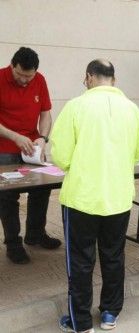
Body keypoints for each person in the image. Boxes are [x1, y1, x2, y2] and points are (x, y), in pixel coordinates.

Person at [51, 59, 139, 333]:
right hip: (118, 196)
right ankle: (109, 313)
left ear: (89, 77)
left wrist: (76, 165)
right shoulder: (131, 109)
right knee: (114, 255)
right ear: (113, 80)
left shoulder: (76, 106)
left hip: (82, 197)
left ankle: (80, 321)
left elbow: (61, 155)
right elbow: (138, 150)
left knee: (80, 261)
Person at [0, 47, 61, 264]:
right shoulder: (0, 78)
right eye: (20, 75)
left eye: (29, 76)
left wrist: (43, 138)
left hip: (32, 148)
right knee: (8, 196)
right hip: (4, 148)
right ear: (12, 66)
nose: (25, 80)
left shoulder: (39, 80)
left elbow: (45, 113)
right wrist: (15, 137)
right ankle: (13, 243)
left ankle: (35, 234)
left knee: (42, 188)